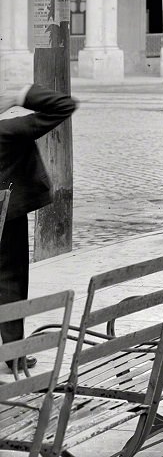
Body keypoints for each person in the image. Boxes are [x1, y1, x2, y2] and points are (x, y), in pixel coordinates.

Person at [0, 83, 77, 372]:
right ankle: (14, 354)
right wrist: (20, 95)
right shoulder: (9, 132)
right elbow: (63, 105)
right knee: (9, 281)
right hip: (6, 218)